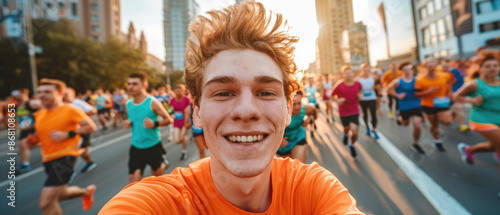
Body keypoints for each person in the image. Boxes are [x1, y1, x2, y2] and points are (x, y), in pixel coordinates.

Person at [100, 2, 362, 214]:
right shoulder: (160, 203)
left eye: (266, 92)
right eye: (224, 93)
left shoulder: (314, 189)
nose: (246, 110)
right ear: (198, 112)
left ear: (287, 107)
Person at [26, 79, 97, 214]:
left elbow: (91, 126)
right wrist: (32, 142)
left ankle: (86, 192)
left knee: (46, 203)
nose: (42, 95)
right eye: (40, 92)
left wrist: (69, 134)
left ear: (60, 93)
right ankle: (87, 192)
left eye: (47, 92)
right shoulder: (39, 114)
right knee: (61, 194)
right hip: (47, 159)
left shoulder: (70, 109)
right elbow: (41, 138)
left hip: (67, 156)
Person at [123, 72, 173, 183]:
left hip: (153, 145)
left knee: (156, 178)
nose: (131, 87)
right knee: (134, 181)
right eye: (129, 84)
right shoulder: (128, 104)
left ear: (144, 85)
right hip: (136, 146)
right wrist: (129, 122)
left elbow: (169, 120)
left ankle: (163, 163)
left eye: (135, 84)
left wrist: (154, 124)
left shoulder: (153, 102)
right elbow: (135, 119)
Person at [456, 51, 500, 165]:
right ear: (480, 68)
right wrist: (471, 100)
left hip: (498, 117)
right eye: (488, 66)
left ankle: (469, 150)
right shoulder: (475, 84)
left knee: (493, 146)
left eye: (495, 66)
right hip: (482, 118)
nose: (492, 68)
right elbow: (456, 96)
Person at [414, 58, 454, 152]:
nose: (430, 64)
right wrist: (429, 91)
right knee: (434, 125)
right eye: (428, 63)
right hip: (428, 105)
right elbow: (416, 94)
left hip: (442, 103)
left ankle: (452, 115)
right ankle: (437, 141)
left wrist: (450, 92)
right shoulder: (420, 80)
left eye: (432, 62)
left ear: (436, 65)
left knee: (447, 122)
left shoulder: (445, 75)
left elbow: (449, 83)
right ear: (424, 66)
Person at [388, 62, 425, 154]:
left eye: (408, 69)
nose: (407, 71)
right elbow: (389, 90)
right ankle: (400, 119)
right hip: (404, 106)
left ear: (411, 70)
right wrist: (397, 95)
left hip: (416, 105)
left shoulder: (417, 80)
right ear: (402, 71)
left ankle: (416, 144)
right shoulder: (398, 81)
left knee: (417, 125)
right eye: (405, 70)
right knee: (406, 124)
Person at [64, 88, 98, 173]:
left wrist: (79, 117)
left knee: (81, 148)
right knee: (76, 148)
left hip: (82, 129)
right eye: (62, 95)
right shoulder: (60, 105)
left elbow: (93, 111)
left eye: (66, 95)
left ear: (72, 95)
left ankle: (89, 162)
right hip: (68, 131)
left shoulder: (77, 103)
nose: (63, 97)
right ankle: (89, 162)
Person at [331, 65, 362, 158]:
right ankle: (345, 134)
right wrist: (337, 100)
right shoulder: (339, 84)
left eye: (350, 72)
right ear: (343, 74)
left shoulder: (358, 84)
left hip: (354, 110)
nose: (348, 74)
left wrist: (360, 96)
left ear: (353, 73)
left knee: (355, 131)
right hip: (343, 111)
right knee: (347, 128)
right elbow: (332, 96)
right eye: (346, 73)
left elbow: (359, 93)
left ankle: (352, 145)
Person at [277, 90, 312, 163]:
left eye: (299, 103)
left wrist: (308, 119)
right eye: (293, 104)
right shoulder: (279, 114)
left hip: (298, 139)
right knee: (285, 172)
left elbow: (313, 108)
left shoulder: (305, 109)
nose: (297, 107)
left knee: (298, 169)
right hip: (280, 145)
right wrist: (276, 138)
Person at [15, 89, 42, 174]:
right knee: (21, 145)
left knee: (24, 144)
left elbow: (44, 111)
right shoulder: (17, 106)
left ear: (23, 94)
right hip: (24, 129)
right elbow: (19, 119)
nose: (15, 96)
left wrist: (36, 125)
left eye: (17, 94)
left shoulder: (31, 103)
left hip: (33, 128)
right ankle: (25, 164)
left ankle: (26, 164)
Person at [443, 59, 468, 132]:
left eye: (460, 63)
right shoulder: (452, 71)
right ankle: (461, 124)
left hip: (463, 92)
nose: (459, 65)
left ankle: (460, 123)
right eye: (457, 63)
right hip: (453, 93)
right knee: (457, 109)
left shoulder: (464, 71)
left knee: (458, 109)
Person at [357, 63, 380, 139]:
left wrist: (377, 89)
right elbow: (356, 89)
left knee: (373, 115)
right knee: (365, 114)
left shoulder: (373, 77)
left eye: (367, 69)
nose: (366, 71)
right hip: (363, 99)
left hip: (372, 98)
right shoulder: (358, 79)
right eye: (364, 69)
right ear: (362, 70)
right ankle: (367, 127)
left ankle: (373, 129)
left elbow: (378, 86)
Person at [169, 84, 191, 160]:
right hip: (176, 122)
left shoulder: (186, 100)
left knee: (182, 138)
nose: (178, 92)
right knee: (178, 141)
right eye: (176, 90)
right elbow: (170, 109)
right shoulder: (172, 100)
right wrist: (171, 114)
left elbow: (189, 111)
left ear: (183, 91)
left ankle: (184, 151)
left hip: (184, 121)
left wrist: (188, 122)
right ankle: (185, 137)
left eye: (180, 90)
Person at [184, 94, 207, 159]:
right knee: (202, 150)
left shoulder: (205, 105)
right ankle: (204, 168)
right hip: (197, 130)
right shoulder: (188, 109)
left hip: (206, 129)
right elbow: (186, 125)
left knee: (210, 147)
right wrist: (194, 121)